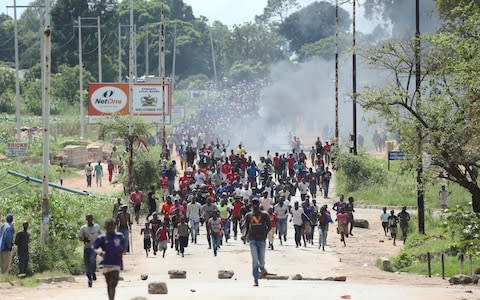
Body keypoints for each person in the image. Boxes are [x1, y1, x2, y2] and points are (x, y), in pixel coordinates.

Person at [93, 219, 125, 300]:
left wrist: (121, 252)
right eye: (108, 225)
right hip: (106, 263)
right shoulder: (102, 238)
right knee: (109, 283)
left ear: (115, 226)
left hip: (116, 263)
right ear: (105, 227)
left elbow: (122, 247)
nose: (110, 227)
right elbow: (94, 247)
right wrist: (100, 252)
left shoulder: (120, 236)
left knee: (113, 283)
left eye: (112, 225)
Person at [243, 198, 271, 287]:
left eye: (256, 204)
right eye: (253, 204)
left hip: (262, 240)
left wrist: (265, 233)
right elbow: (247, 227)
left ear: (259, 204)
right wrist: (244, 235)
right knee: (255, 261)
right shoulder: (248, 215)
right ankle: (255, 280)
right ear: (251, 205)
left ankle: (262, 268)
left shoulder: (264, 215)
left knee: (261, 261)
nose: (255, 206)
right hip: (252, 240)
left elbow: (269, 226)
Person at [79, 214, 101, 287]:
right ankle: (89, 278)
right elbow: (80, 238)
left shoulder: (96, 227)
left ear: (92, 218)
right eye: (87, 219)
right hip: (87, 248)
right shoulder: (83, 228)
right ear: (86, 219)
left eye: (90, 218)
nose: (89, 220)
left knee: (92, 260)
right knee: (87, 265)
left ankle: (93, 272)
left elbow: (100, 234)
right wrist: (84, 239)